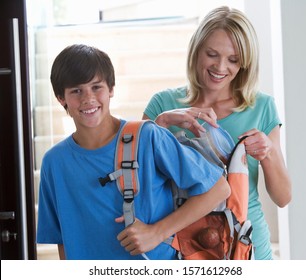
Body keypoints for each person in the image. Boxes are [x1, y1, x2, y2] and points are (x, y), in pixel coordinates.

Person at [36, 44, 230, 260]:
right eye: (76, 91)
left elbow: (219, 189)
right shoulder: (54, 163)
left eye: (96, 87)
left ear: (111, 89)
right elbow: (62, 240)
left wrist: (157, 232)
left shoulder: (148, 137)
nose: (88, 98)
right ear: (61, 98)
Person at [143, 6, 292, 260]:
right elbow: (141, 184)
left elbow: (282, 197)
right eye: (211, 54)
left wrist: (267, 151)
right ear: (196, 51)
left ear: (245, 63)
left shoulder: (262, 107)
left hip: (247, 248)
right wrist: (162, 123)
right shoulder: (163, 104)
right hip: (181, 249)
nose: (221, 67)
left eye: (233, 60)